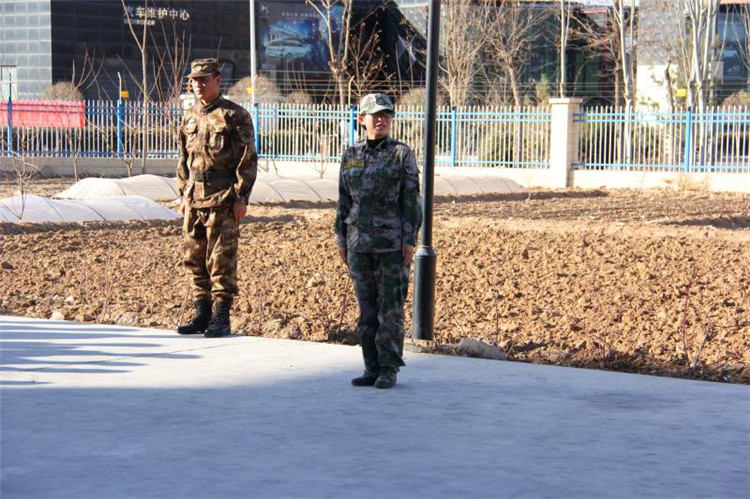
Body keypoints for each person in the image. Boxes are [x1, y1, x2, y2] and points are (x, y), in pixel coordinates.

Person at [335, 93, 422, 389]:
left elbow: (412, 199)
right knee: (367, 312)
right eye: (375, 115)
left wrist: (409, 239)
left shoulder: (401, 154)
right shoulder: (350, 155)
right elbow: (344, 200)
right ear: (362, 120)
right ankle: (371, 367)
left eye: (386, 115)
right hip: (359, 244)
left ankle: (389, 368)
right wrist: (342, 239)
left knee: (390, 312)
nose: (381, 120)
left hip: (391, 245)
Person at [175, 58, 257, 338]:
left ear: (217, 80)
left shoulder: (234, 115)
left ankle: (221, 316)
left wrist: (241, 197)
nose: (198, 84)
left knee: (221, 259)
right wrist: (183, 194)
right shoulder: (190, 116)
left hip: (222, 198)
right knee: (194, 257)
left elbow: (247, 160)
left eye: (204, 79)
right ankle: (202, 313)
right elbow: (183, 159)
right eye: (194, 80)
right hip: (194, 198)